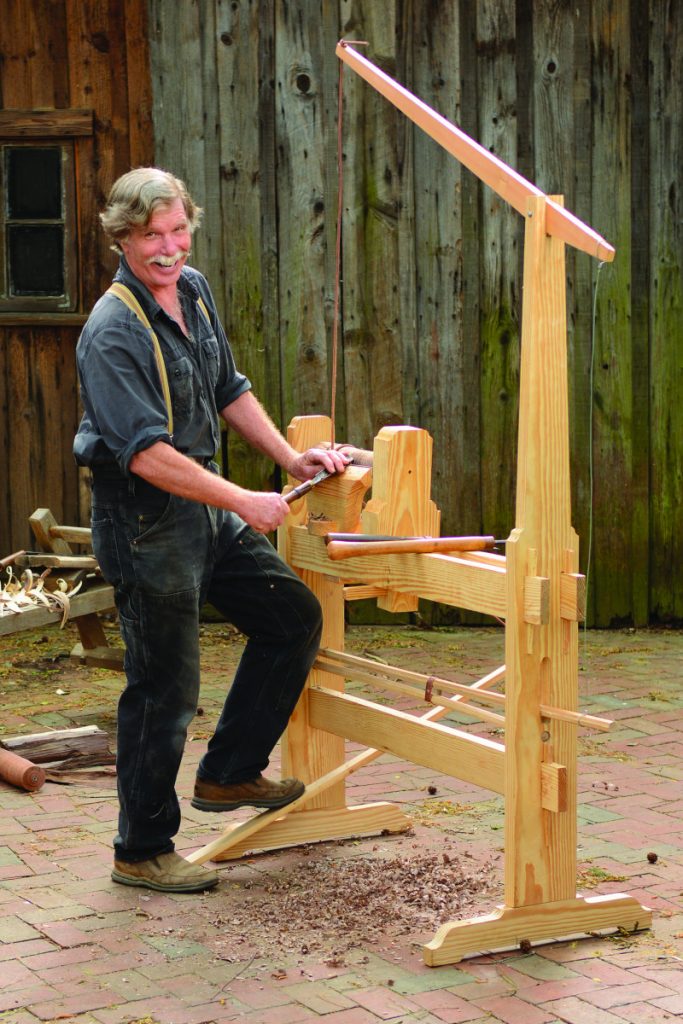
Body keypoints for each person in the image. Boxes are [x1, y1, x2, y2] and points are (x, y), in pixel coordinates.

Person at [74, 167, 347, 894]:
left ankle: (229, 772)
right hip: (144, 518)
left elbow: (228, 387)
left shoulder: (191, 290)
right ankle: (141, 850)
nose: (168, 248)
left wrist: (290, 459)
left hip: (204, 504)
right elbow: (147, 454)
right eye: (150, 236)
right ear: (123, 238)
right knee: (164, 688)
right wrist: (245, 501)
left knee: (291, 618)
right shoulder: (111, 331)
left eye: (177, 231)